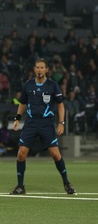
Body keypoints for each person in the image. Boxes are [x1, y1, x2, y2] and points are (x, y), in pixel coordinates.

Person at [10, 58, 76, 195]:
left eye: (42, 68)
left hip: (46, 124)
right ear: (34, 70)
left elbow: (60, 105)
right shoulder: (28, 85)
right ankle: (20, 186)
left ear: (47, 70)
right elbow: (22, 103)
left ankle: (66, 183)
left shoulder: (52, 85)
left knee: (55, 154)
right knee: (21, 153)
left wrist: (61, 123)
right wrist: (17, 118)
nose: (40, 70)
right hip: (31, 123)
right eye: (37, 68)